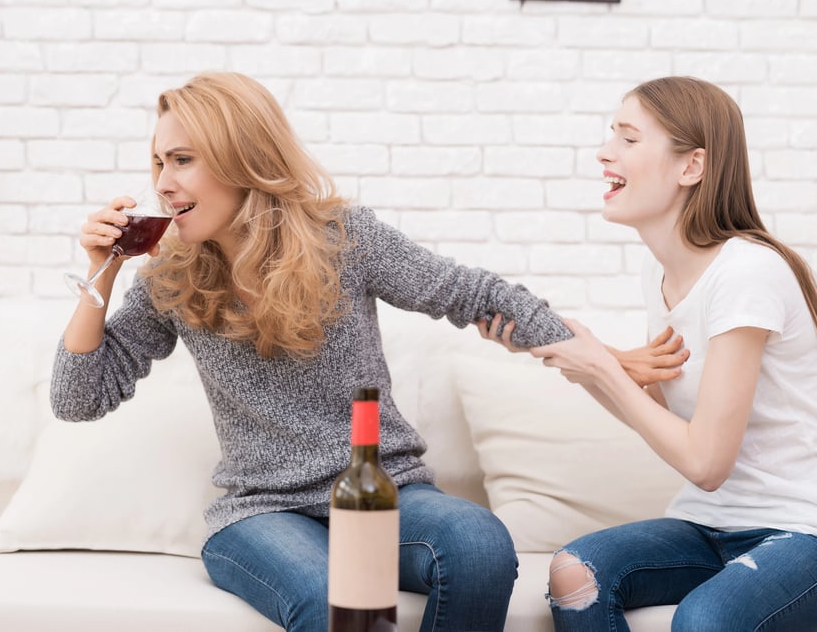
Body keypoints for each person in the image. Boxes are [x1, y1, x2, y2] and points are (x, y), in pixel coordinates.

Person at [51, 71, 681, 632]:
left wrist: (598, 357)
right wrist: (101, 271)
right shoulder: (171, 276)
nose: (163, 183)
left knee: (480, 545)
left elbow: (469, 293)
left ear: (241, 156)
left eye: (182, 160)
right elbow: (77, 399)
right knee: (337, 601)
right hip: (260, 514)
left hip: (383, 492)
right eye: (158, 162)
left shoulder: (342, 239)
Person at [483, 75, 817, 631]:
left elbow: (706, 463)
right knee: (573, 573)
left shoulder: (748, 271)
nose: (604, 152)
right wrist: (584, 364)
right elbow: (662, 419)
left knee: (704, 620)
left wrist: (601, 368)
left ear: (692, 167)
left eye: (629, 139)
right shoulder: (660, 271)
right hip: (709, 526)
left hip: (807, 536)